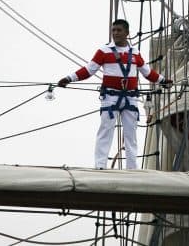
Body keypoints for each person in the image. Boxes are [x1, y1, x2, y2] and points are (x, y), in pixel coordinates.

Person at [58, 18, 171, 169]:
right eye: (113, 30)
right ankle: (100, 166)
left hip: (130, 98)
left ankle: (132, 168)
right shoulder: (104, 51)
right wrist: (69, 78)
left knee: (131, 134)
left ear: (127, 33)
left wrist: (163, 81)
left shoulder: (135, 53)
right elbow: (89, 70)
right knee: (106, 131)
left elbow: (147, 72)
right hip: (110, 98)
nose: (115, 33)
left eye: (119, 30)